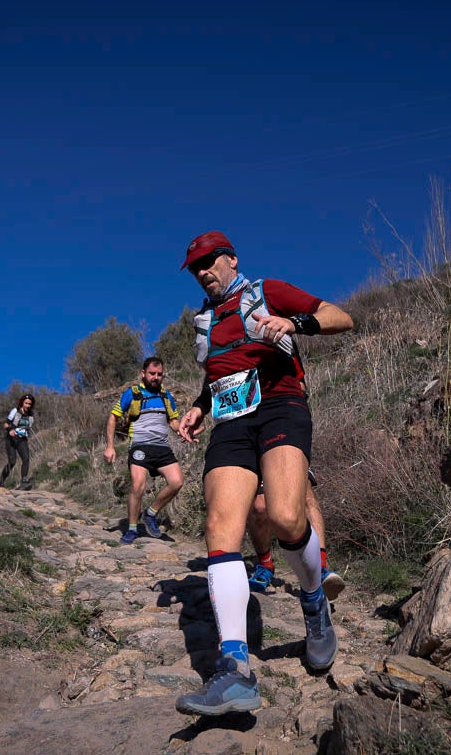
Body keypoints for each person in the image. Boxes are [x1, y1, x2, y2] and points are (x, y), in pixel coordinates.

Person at [173, 231, 353, 716]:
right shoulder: (206, 321)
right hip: (231, 422)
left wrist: (292, 322)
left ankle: (314, 604)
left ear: (231, 259)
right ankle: (234, 671)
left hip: (280, 407)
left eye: (210, 261)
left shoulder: (268, 291)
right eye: (195, 267)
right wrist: (197, 407)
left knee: (287, 518)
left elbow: (342, 317)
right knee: (220, 530)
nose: (203, 271)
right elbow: (221, 375)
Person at [104, 357, 184, 544]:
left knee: (177, 482)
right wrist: (110, 446)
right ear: (143, 374)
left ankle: (150, 513)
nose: (156, 377)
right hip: (139, 445)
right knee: (138, 486)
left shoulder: (166, 395)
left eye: (159, 374)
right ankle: (132, 529)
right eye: (152, 374)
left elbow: (173, 421)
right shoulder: (131, 393)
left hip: (162, 446)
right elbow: (113, 417)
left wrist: (184, 430)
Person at [247, 467, 345, 601]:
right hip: (257, 450)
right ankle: (266, 566)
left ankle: (321, 569)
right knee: (259, 508)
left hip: (290, 447)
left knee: (306, 497)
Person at [0, 393, 36, 488]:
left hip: (22, 439)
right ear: (22, 403)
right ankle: (2, 480)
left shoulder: (31, 414)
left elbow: (29, 427)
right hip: (11, 439)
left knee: (26, 458)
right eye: (26, 403)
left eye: (29, 404)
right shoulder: (15, 411)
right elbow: (6, 424)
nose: (27, 405)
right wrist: (10, 430)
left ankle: (24, 481)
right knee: (12, 462)